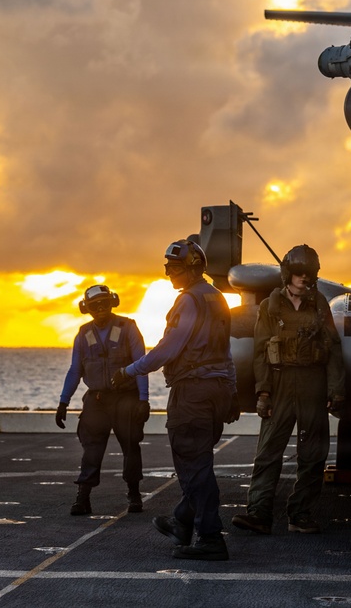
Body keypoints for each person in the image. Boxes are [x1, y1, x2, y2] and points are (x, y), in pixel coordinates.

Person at [112, 239, 240, 561]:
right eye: (168, 267)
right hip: (218, 392)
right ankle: (181, 521)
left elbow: (167, 350)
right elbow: (226, 354)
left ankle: (210, 538)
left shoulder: (188, 301)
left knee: (195, 468)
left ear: (192, 268)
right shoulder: (218, 298)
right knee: (200, 462)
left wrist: (127, 371)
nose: (168, 272)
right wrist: (233, 392)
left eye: (174, 267)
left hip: (192, 394)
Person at [232, 244, 345, 536]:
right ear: (287, 274)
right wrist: (263, 392)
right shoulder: (271, 306)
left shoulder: (320, 304)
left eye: (308, 274)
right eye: (298, 274)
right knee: (268, 451)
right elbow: (260, 353)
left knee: (313, 453)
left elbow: (332, 348)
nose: (303, 279)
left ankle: (300, 513)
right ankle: (258, 512)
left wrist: (336, 390)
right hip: (280, 383)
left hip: (312, 383)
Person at [56, 284, 149, 516]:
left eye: (104, 303)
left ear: (113, 303)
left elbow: (141, 365)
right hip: (96, 400)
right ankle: (83, 497)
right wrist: (63, 402)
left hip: (125, 398)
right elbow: (75, 370)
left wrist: (143, 399)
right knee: (91, 450)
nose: (100, 309)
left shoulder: (128, 328)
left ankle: (134, 494)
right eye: (94, 305)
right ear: (85, 308)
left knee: (130, 446)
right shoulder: (83, 335)